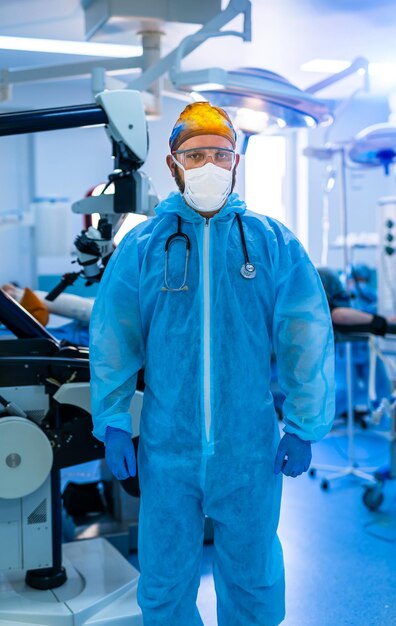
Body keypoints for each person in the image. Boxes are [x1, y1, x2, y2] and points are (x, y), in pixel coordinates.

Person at [89, 101, 335, 626]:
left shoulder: (272, 244)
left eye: (219, 153)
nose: (208, 164)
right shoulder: (142, 247)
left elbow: (305, 335)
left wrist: (305, 424)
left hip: (249, 446)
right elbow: (114, 337)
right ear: (174, 165)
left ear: (236, 162)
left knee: (253, 578)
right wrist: (112, 421)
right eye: (195, 154)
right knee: (163, 580)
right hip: (167, 448)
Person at [316, 267, 396, 420]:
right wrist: (381, 321)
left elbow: (353, 315)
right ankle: (326, 420)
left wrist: (381, 320)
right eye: (355, 280)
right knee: (345, 389)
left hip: (363, 348)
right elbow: (339, 315)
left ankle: (382, 417)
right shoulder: (322, 302)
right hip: (344, 351)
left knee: (380, 387)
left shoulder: (350, 297)